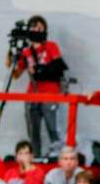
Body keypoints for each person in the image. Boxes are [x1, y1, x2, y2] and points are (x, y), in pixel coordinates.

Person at [9, 15, 68, 157]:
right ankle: (35, 156)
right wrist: (11, 56)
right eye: (34, 27)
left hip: (50, 92)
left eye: (41, 27)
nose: (37, 30)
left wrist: (41, 69)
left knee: (52, 127)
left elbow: (58, 66)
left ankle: (56, 154)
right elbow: (16, 74)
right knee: (33, 129)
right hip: (32, 93)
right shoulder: (25, 51)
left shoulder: (51, 46)